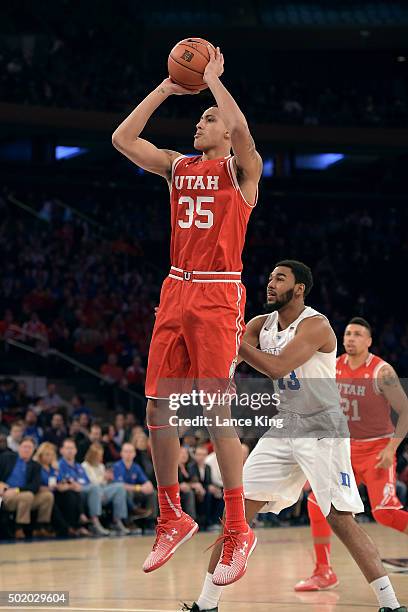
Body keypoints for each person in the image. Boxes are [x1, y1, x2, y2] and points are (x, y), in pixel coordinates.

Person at [112, 44, 262, 582]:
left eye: (209, 117)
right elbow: (123, 140)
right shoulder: (179, 168)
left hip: (219, 294)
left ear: (226, 129)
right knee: (157, 408)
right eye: (199, 116)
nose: (200, 122)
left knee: (217, 412)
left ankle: (237, 528)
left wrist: (216, 81)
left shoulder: (244, 171)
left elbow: (242, 131)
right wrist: (169, 87)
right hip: (175, 288)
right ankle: (172, 515)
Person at [185, 261, 406, 612]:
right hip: (285, 425)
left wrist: (230, 337)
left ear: (299, 287)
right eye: (270, 277)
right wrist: (194, 327)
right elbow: (229, 355)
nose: (270, 283)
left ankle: (390, 604)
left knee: (339, 519)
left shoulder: (316, 325)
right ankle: (205, 604)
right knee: (236, 512)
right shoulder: (260, 324)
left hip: (323, 429)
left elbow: (275, 366)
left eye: (280, 278)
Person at [295, 317, 408, 591]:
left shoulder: (382, 371)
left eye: (358, 334)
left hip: (376, 450)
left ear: (369, 341)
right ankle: (323, 571)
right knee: (316, 504)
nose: (350, 338)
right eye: (347, 334)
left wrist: (391, 448)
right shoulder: (333, 366)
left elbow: (405, 411)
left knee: (384, 512)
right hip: (342, 450)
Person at [0, 437, 54, 539]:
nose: (27, 450)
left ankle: (40, 528)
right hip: (5, 495)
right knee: (27, 496)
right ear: (19, 447)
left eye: (30, 447)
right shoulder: (7, 458)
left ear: (34, 450)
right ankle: (18, 528)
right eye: (24, 447)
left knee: (48, 496)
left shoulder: (36, 466)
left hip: (22, 494)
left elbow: (35, 486)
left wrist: (17, 490)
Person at [33, 441, 90, 537]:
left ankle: (76, 524)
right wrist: (51, 488)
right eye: (46, 454)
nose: (49, 457)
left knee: (72, 493)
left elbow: (60, 481)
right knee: (61, 498)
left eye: (51, 455)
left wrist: (64, 485)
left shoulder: (53, 468)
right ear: (41, 455)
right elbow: (36, 485)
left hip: (56, 492)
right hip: (44, 493)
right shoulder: (37, 467)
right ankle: (67, 527)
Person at [58, 438, 109, 536]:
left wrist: (80, 486)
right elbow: (60, 483)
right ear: (61, 450)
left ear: (76, 450)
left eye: (72, 448)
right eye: (67, 448)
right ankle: (94, 521)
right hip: (70, 493)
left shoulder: (79, 466)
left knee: (95, 488)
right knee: (94, 488)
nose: (70, 451)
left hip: (83, 491)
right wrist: (71, 486)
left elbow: (87, 482)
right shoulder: (59, 465)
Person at [82, 443, 130, 535]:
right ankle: (94, 522)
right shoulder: (85, 466)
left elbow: (103, 483)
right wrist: (103, 478)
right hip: (91, 492)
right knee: (95, 488)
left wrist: (107, 479)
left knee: (119, 487)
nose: (101, 458)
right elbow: (92, 482)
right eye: (99, 456)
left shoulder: (101, 466)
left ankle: (117, 520)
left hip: (102, 489)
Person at [113, 442, 155, 520]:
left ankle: (151, 519)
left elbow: (146, 481)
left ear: (134, 454)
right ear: (121, 453)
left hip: (134, 492)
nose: (128, 454)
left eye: (130, 451)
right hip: (123, 492)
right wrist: (139, 488)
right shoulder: (117, 466)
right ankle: (133, 512)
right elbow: (120, 485)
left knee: (152, 492)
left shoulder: (136, 467)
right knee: (126, 492)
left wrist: (148, 486)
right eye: (126, 451)